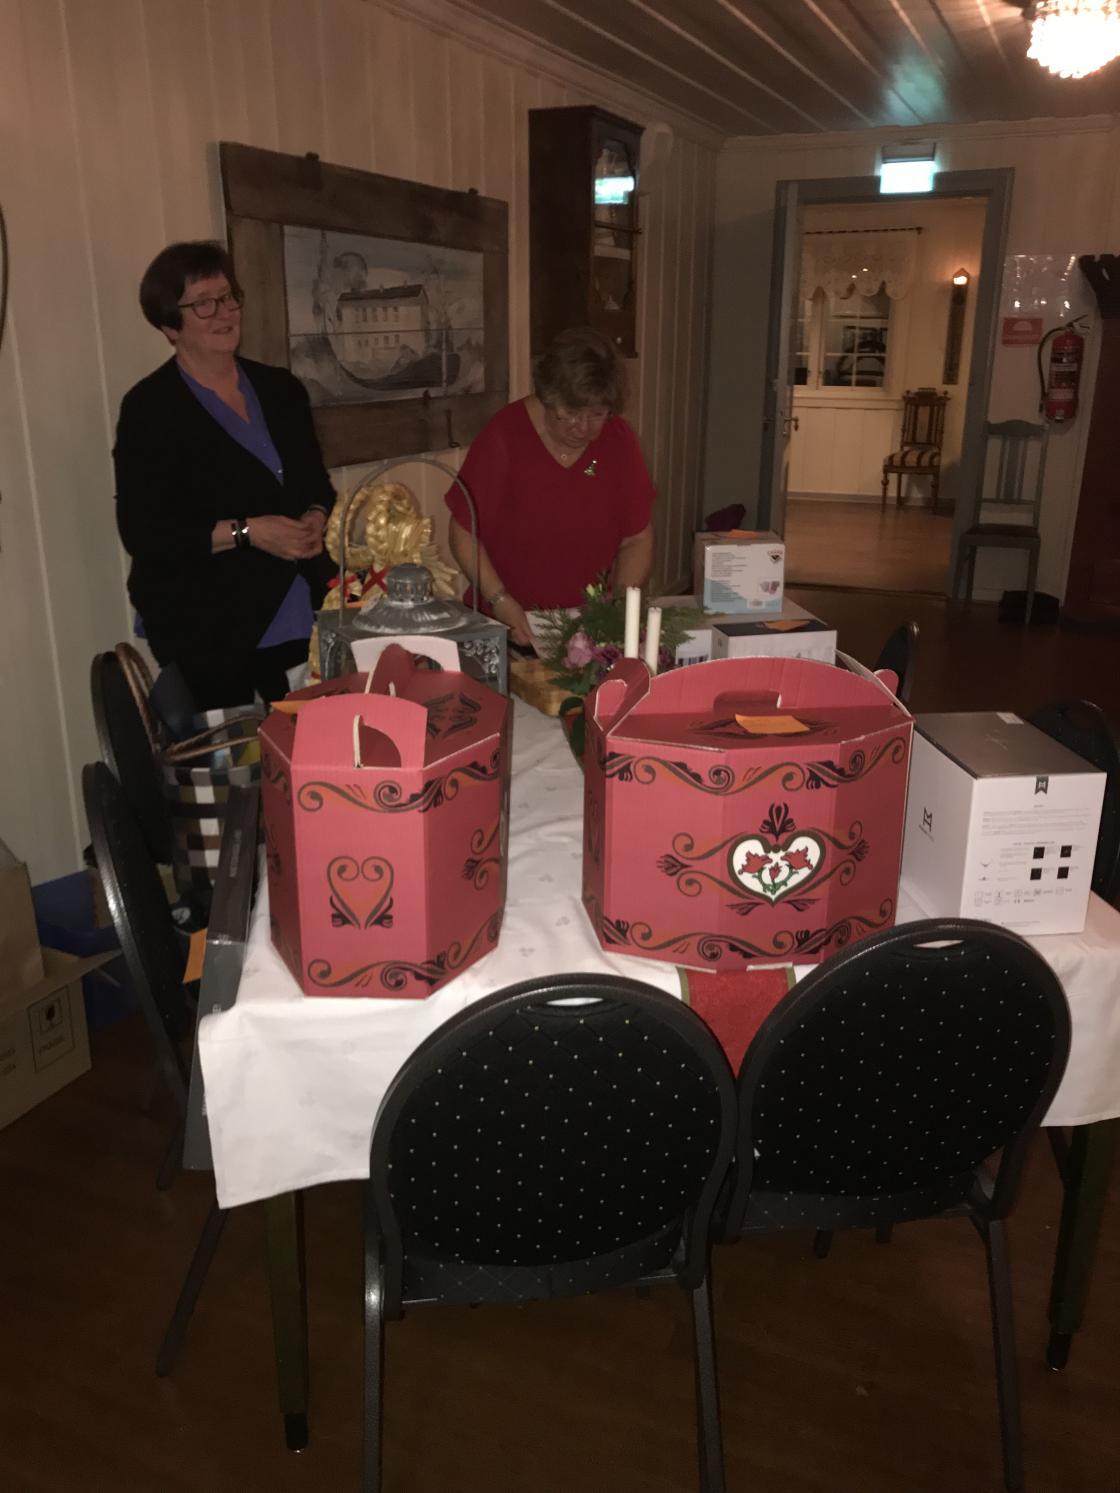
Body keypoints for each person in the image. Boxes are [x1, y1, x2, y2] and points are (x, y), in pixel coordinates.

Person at [113, 240, 335, 708]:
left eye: (228, 296)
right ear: (169, 325)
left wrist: (315, 516)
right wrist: (250, 532)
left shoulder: (281, 389)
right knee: (239, 752)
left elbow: (316, 483)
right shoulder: (149, 409)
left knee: (315, 736)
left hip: (300, 603)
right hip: (207, 624)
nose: (224, 312)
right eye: (203, 303)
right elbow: (145, 534)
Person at [444, 327, 655, 646]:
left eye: (597, 415)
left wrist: (616, 610)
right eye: (569, 414)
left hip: (586, 633)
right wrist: (500, 600)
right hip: (506, 626)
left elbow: (636, 540)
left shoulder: (618, 441)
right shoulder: (505, 437)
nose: (582, 428)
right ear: (547, 399)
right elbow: (463, 531)